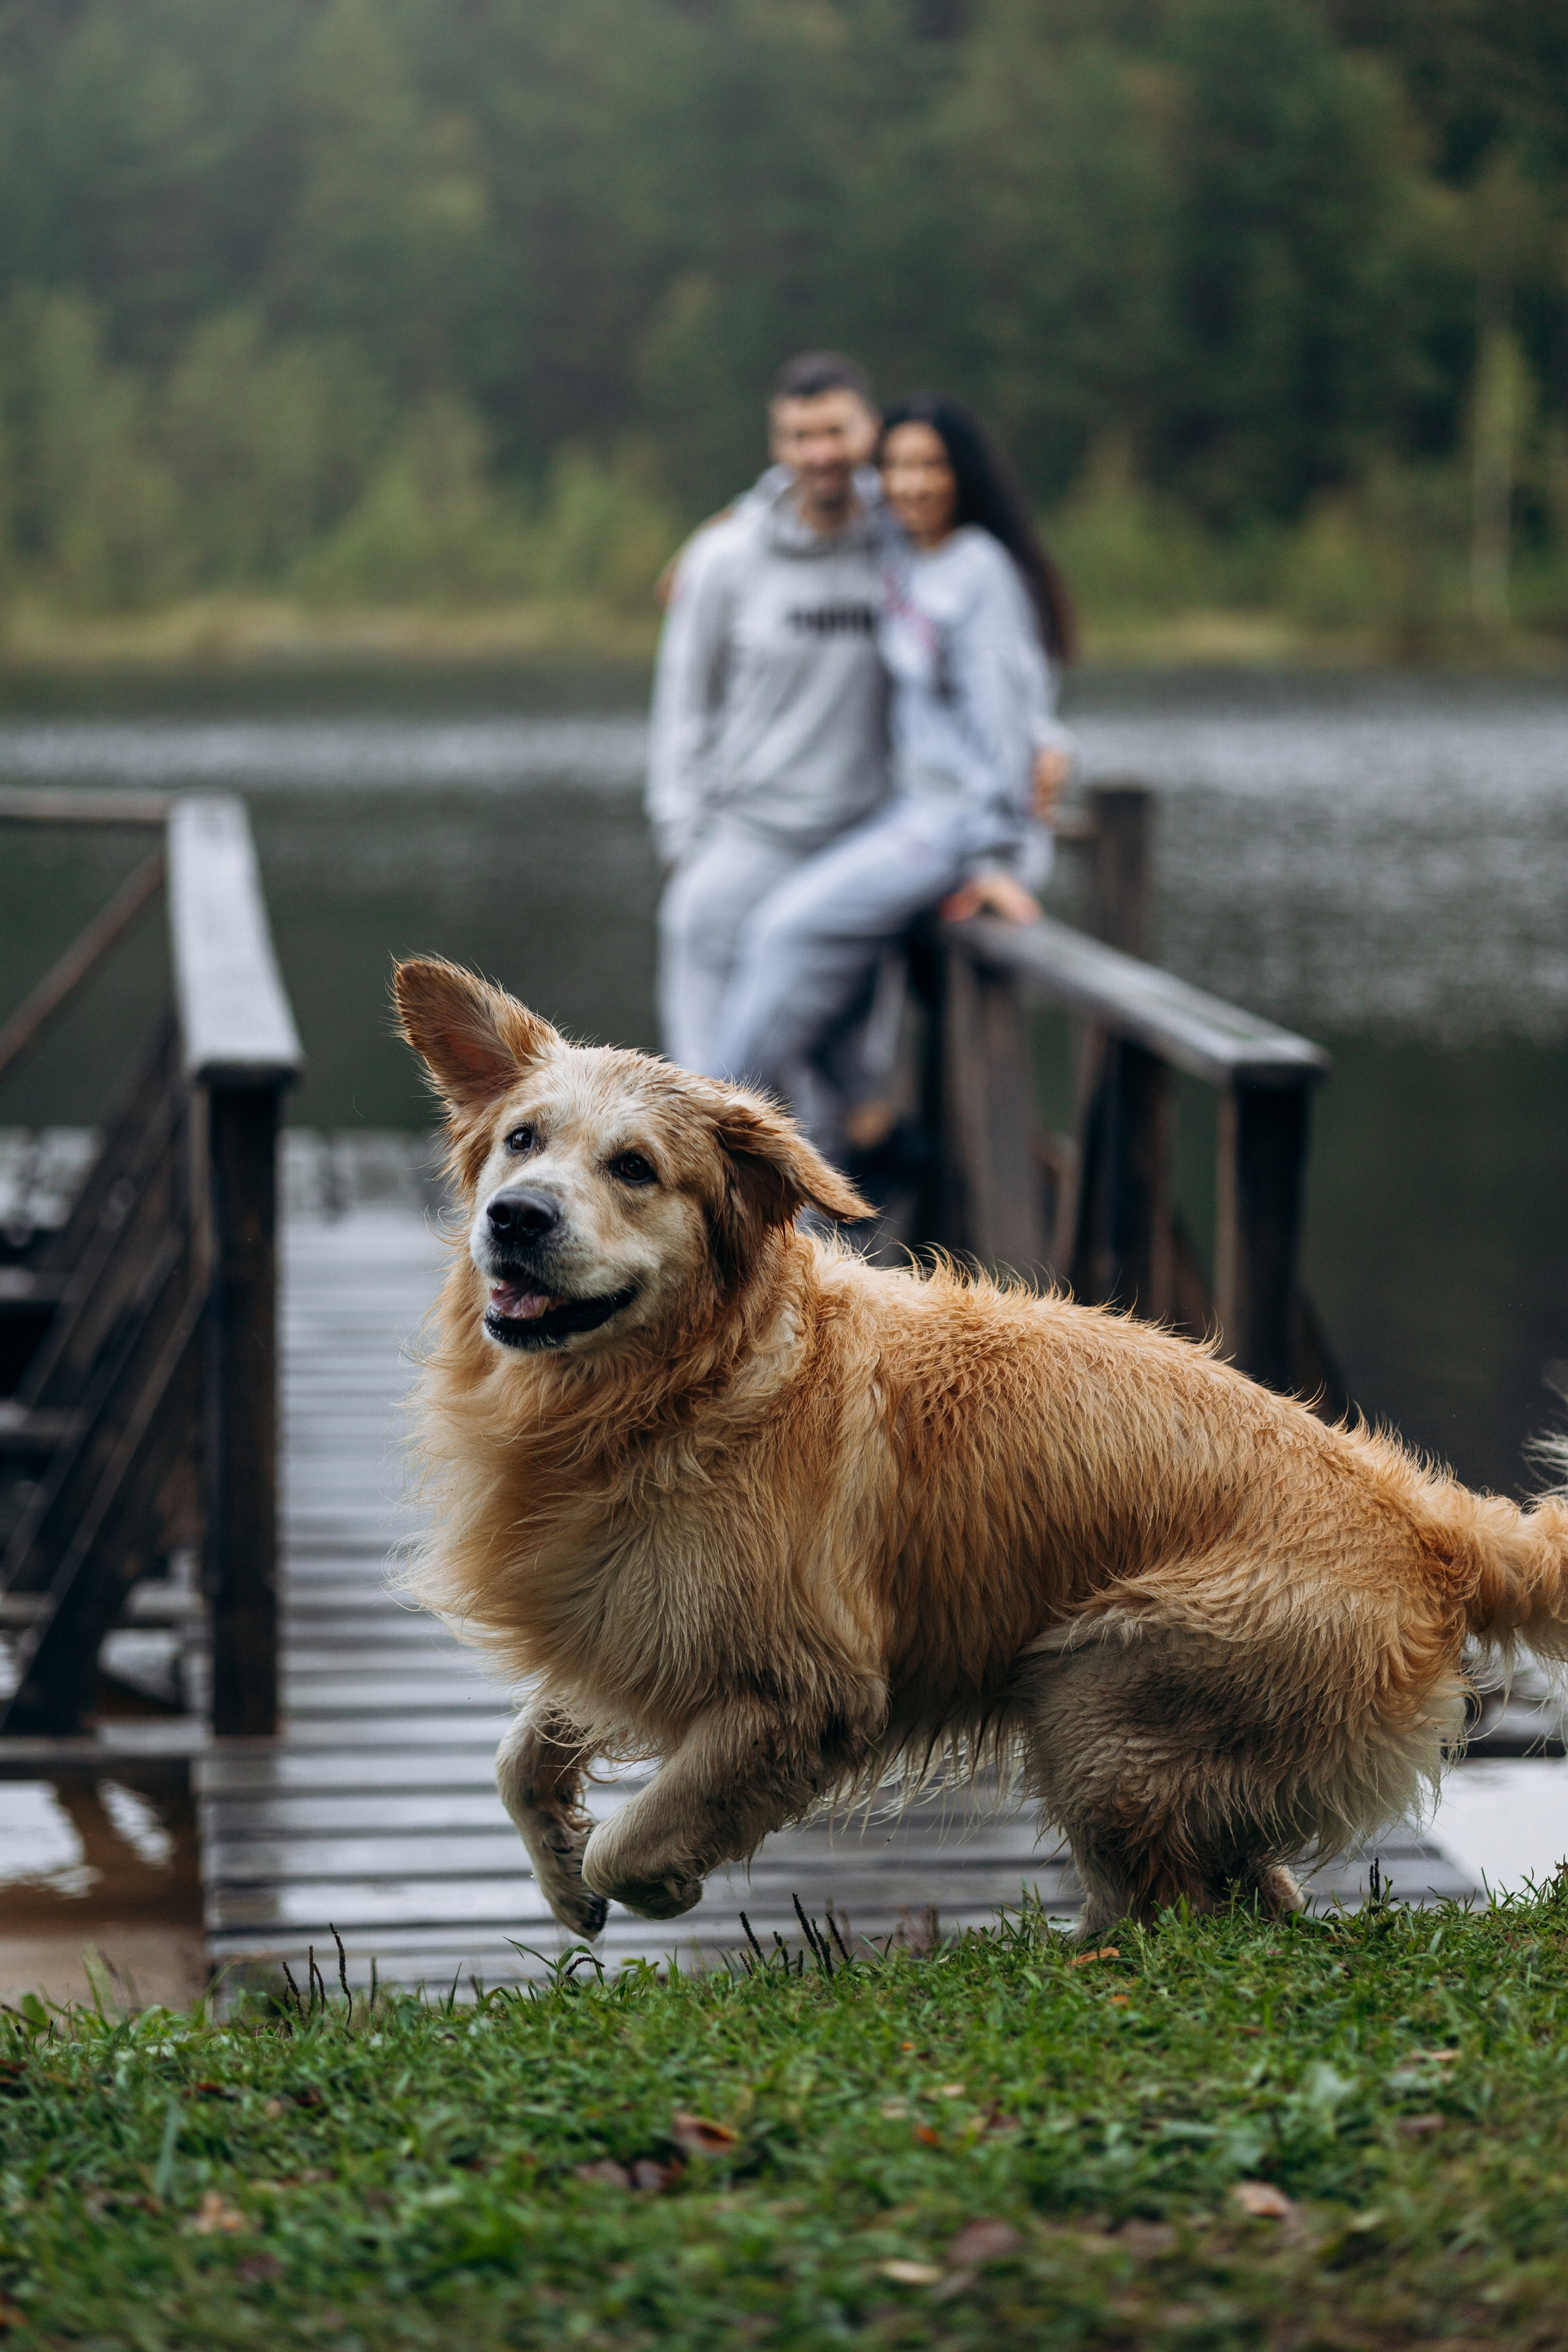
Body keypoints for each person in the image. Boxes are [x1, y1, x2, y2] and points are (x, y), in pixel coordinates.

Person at [711, 394, 1074, 1155]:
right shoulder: (901, 546)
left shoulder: (979, 572)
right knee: (805, 944)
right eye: (899, 466)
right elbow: (810, 489)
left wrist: (999, 861)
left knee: (786, 931)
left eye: (931, 466)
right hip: (906, 811)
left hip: (954, 830)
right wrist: (722, 535)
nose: (911, 484)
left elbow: (1006, 723)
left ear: (963, 476)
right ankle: (864, 1121)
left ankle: (710, 1128)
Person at [646, 351, 888, 1123]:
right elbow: (682, 703)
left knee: (835, 1070)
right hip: (747, 839)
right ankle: (710, 1231)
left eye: (835, 431)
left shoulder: (903, 545)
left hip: (864, 845)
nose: (819, 452)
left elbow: (993, 649)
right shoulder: (725, 557)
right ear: (776, 446)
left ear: (869, 431)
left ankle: (819, 1239)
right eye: (798, 435)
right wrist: (682, 838)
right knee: (708, 1067)